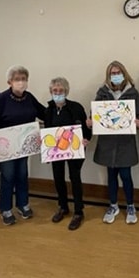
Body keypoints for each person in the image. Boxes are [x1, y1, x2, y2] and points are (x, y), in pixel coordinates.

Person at [0, 65, 46, 226]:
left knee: (22, 174)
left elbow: (44, 113)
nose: (21, 82)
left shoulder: (29, 97)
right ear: (9, 82)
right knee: (8, 176)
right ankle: (5, 208)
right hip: (6, 146)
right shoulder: (1, 100)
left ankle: (23, 204)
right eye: (17, 79)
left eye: (24, 79)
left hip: (24, 145)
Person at [92, 61, 139, 225]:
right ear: (108, 76)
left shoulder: (133, 92)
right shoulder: (102, 92)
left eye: (118, 72)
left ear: (124, 73)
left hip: (125, 143)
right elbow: (95, 113)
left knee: (126, 176)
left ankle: (130, 206)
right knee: (111, 176)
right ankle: (113, 205)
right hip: (107, 143)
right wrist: (91, 120)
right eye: (112, 73)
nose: (115, 76)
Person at [45, 77, 91, 231]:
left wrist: (86, 139)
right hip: (56, 152)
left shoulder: (76, 107)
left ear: (66, 91)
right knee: (58, 177)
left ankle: (78, 211)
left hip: (75, 150)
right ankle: (63, 206)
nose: (58, 92)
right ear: (51, 92)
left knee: (74, 177)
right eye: (55, 90)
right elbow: (47, 132)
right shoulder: (49, 110)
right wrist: (46, 148)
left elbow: (86, 128)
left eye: (61, 90)